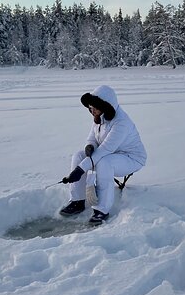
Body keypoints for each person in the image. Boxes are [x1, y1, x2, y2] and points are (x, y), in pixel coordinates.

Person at [59, 85, 147, 225]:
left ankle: (101, 210)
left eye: (94, 107)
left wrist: (80, 170)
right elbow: (92, 138)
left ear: (105, 107)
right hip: (111, 154)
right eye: (90, 107)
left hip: (131, 158)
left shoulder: (121, 123)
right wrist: (90, 146)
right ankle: (77, 201)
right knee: (79, 156)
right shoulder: (100, 117)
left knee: (104, 163)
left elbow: (105, 149)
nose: (91, 110)